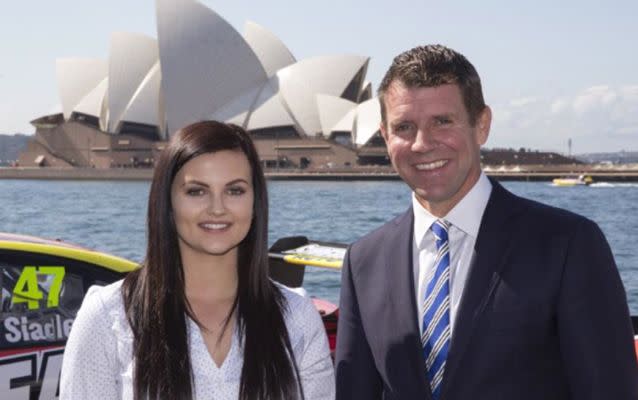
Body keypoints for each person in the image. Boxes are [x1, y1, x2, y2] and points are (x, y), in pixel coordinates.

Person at [335, 44, 638, 400]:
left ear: (482, 125)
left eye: (442, 122)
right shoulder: (363, 262)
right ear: (385, 137)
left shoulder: (568, 245)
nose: (422, 144)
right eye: (404, 127)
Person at [60, 121, 335, 399]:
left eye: (235, 190)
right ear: (167, 202)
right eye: (196, 191)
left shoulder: (296, 317)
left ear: (255, 203)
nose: (217, 208)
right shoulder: (109, 317)